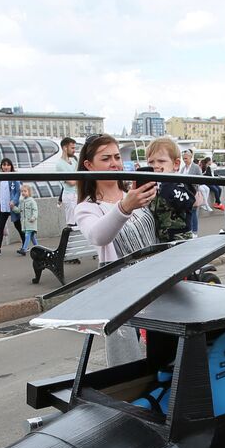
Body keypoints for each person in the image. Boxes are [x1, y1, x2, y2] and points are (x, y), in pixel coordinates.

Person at [74, 134, 159, 365]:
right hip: (120, 290)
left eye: (117, 157)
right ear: (89, 166)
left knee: (164, 355)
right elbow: (98, 236)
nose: (114, 163)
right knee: (128, 362)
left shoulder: (134, 194)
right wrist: (125, 207)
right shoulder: (88, 207)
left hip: (154, 281)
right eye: (106, 158)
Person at [145, 136, 195, 241]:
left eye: (161, 161)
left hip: (180, 240)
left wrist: (167, 183)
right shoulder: (152, 185)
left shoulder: (180, 183)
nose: (155, 166)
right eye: (151, 162)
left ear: (176, 164)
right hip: (158, 239)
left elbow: (188, 201)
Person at [0, 158, 22, 254]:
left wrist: (14, 201)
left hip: (12, 207)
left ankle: (25, 244)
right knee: (0, 227)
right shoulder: (1, 178)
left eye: (8, 165)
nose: (6, 167)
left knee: (18, 226)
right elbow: (1, 193)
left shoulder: (14, 177)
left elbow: (18, 191)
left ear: (11, 166)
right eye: (4, 165)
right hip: (3, 207)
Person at [54, 137, 80, 227]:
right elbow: (72, 182)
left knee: (79, 222)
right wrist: (78, 174)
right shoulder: (59, 165)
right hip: (69, 196)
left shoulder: (73, 161)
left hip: (76, 195)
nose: (74, 150)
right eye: (72, 148)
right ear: (65, 148)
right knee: (72, 223)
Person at [17, 183, 40, 255]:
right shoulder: (22, 201)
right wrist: (13, 208)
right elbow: (19, 210)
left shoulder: (32, 201)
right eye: (22, 191)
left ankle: (24, 249)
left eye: (25, 191)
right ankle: (39, 249)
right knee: (32, 237)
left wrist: (33, 217)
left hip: (31, 222)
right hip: (26, 223)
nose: (23, 193)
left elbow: (35, 210)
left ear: (29, 192)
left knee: (27, 235)